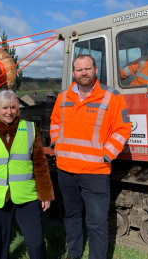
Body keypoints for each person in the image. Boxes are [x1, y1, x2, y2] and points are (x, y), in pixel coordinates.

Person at [50, 54, 131, 259]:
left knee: (96, 223)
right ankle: (74, 254)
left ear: (96, 70)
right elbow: (55, 122)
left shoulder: (112, 97)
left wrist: (106, 155)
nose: (83, 72)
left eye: (87, 68)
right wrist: (56, 145)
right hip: (66, 170)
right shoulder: (63, 97)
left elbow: (122, 129)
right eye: (79, 69)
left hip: (95, 172)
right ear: (73, 73)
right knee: (71, 216)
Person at [0, 90, 54, 259]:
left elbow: (40, 164)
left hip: (26, 196)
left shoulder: (29, 129)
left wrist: (45, 193)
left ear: (18, 109)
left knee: (36, 242)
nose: (9, 111)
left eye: (13, 107)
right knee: (1, 244)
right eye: (4, 107)